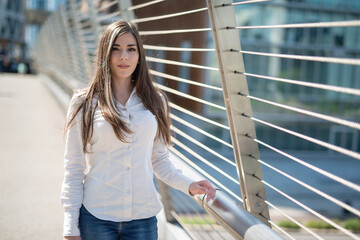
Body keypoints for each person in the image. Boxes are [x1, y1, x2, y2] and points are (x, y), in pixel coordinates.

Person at [61, 20, 216, 240]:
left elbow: (160, 160)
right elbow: (73, 168)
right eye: (116, 49)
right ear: (105, 54)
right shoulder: (83, 103)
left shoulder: (156, 101)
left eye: (131, 49)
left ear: (139, 55)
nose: (124, 56)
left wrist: (189, 185)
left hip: (142, 220)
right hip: (96, 217)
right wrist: (70, 226)